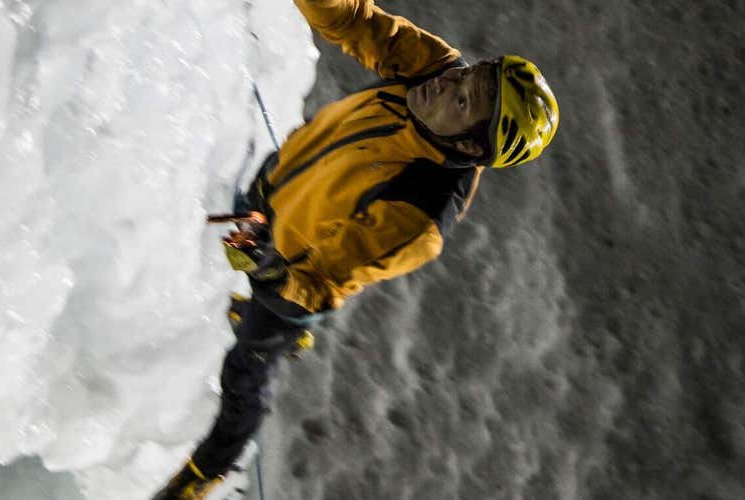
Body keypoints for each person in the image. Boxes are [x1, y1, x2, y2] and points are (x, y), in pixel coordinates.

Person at [152, 0, 559, 498]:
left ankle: (208, 469)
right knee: (250, 205)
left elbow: (323, 282)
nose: (447, 82)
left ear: (472, 148)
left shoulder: (420, 214)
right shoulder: (433, 66)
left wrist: (270, 271)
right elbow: (356, 21)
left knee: (245, 372)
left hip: (290, 274)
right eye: (468, 74)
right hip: (280, 188)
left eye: (461, 101)